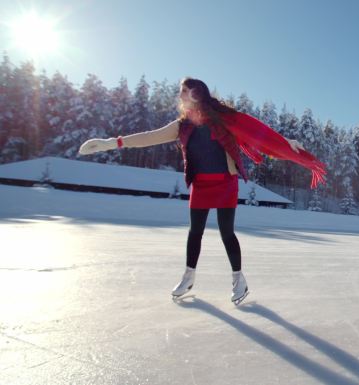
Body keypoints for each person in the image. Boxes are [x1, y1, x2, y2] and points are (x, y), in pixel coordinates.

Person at [79, 77, 326, 305]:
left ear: (197, 93)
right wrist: (113, 142)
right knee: (194, 232)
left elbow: (257, 131)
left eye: (185, 91)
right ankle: (188, 276)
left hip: (225, 183)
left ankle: (239, 279)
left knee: (226, 233)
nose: (181, 96)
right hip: (200, 184)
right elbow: (150, 137)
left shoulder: (224, 118)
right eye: (180, 92)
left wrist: (286, 143)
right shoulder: (182, 125)